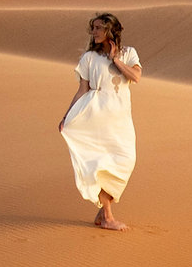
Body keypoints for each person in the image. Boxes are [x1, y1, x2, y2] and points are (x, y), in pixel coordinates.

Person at [58, 13, 142, 231]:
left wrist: (116, 60)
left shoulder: (128, 53)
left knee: (125, 160)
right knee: (99, 164)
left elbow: (135, 76)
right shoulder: (88, 58)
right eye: (93, 28)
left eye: (98, 28)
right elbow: (82, 90)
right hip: (95, 117)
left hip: (120, 119)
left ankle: (101, 212)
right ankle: (107, 216)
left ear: (109, 30)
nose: (94, 32)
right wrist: (67, 116)